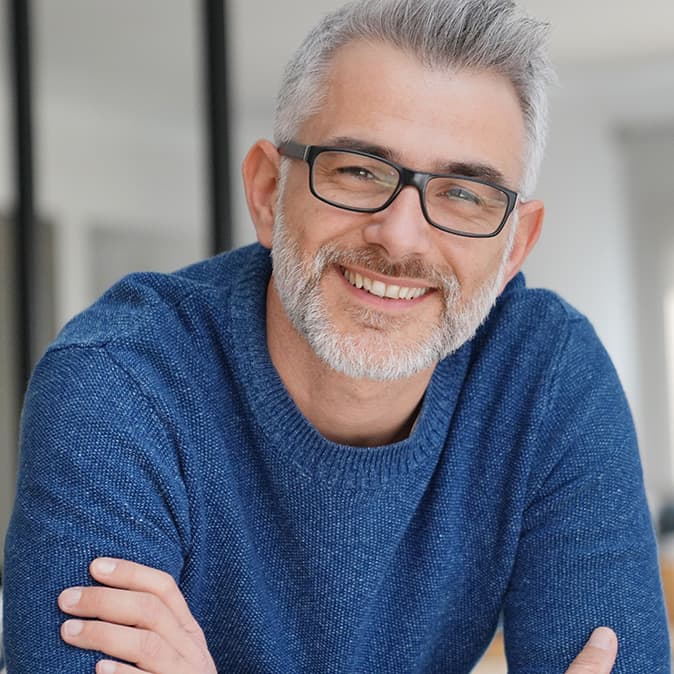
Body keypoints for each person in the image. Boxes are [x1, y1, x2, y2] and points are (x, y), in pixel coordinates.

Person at [2, 0, 670, 671]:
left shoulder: (547, 378)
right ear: (267, 192)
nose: (401, 237)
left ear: (515, 246)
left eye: (464, 193)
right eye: (358, 170)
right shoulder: (120, 383)